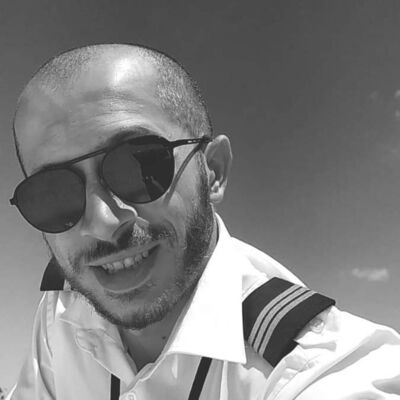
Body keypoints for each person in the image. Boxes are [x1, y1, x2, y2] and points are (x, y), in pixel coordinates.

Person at [7, 43, 400, 400]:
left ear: (213, 171)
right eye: (52, 194)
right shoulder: (63, 309)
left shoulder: (316, 368)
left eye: (138, 167)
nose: (102, 223)